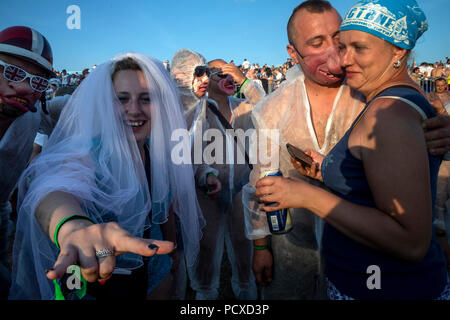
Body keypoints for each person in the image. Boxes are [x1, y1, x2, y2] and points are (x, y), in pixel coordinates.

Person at [244, 0, 450, 300]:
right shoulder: (272, 108)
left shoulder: (376, 97)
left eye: (340, 41)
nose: (339, 58)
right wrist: (261, 245)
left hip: (377, 277)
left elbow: (412, 224)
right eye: (317, 43)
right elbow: (260, 180)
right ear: (293, 53)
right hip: (298, 249)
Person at [9, 53, 205, 300]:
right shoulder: (88, 150)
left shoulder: (158, 152)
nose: (134, 110)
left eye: (146, 99)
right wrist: (72, 226)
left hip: (155, 272)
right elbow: (55, 188)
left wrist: (171, 250)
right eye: (121, 99)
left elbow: (164, 207)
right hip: (102, 282)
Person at [184, 58, 265, 300]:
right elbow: (189, 151)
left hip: (241, 192)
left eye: (229, 72)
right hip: (209, 194)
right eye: (218, 73)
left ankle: (246, 295)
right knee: (207, 251)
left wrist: (245, 82)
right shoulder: (197, 109)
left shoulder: (244, 106)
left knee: (244, 249)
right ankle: (205, 295)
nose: (226, 78)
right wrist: (205, 175)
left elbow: (272, 109)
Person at [0, 26, 70, 299]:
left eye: (38, 82)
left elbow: (73, 105)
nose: (25, 88)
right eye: (14, 73)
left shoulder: (32, 116)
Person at [170, 48, 222, 299]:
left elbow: (197, 157)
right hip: (155, 209)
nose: (205, 79)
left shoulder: (201, 109)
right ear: (179, 75)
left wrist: (207, 175)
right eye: (199, 72)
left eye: (208, 73)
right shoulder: (156, 108)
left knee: (179, 265)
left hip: (184, 204)